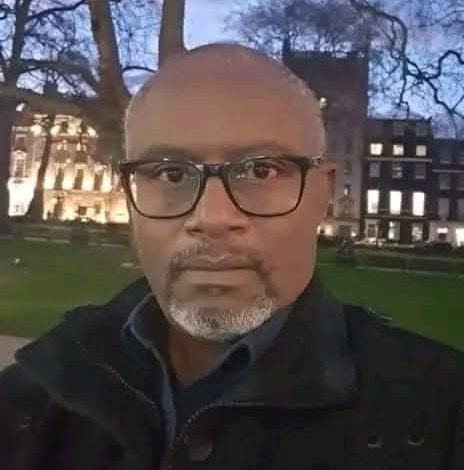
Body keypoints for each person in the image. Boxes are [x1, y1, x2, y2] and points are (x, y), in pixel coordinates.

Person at [1, 43, 464, 470]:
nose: (213, 217)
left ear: (322, 195)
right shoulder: (26, 403)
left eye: (261, 170)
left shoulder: (444, 417)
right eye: (170, 172)